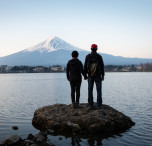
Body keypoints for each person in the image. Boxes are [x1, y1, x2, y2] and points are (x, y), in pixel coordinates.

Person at [84, 44, 104, 108]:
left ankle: (90, 104)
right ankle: (99, 104)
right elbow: (102, 66)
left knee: (90, 89)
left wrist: (85, 75)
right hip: (98, 75)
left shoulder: (88, 56)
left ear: (91, 49)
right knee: (99, 90)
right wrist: (103, 75)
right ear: (96, 49)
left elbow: (85, 67)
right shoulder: (99, 57)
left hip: (90, 75)